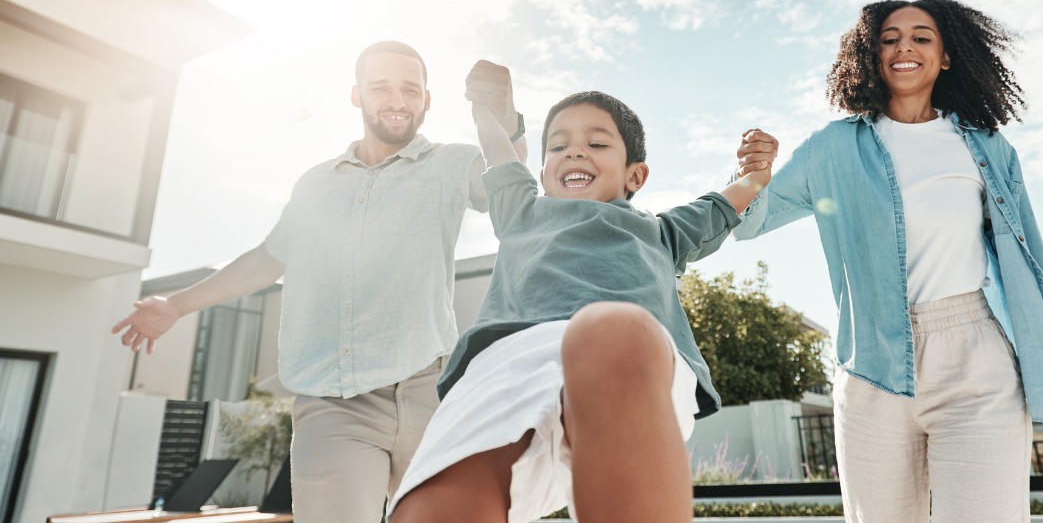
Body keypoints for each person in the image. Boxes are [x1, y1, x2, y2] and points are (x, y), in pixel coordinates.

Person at [733, 0, 1043, 522]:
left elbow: (1036, 271)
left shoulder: (987, 148)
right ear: (871, 55)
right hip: (871, 366)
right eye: (889, 39)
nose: (903, 47)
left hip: (976, 359)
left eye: (921, 37)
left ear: (946, 56)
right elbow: (749, 223)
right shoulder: (833, 148)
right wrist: (751, 176)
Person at [111, 41, 527, 523]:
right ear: (357, 95)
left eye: (411, 90)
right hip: (336, 403)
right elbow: (269, 259)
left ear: (427, 100)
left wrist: (505, 119)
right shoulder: (316, 184)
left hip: (429, 391)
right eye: (381, 87)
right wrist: (177, 305)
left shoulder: (453, 164)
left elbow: (512, 188)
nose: (397, 100)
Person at [388, 89, 778, 523]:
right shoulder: (520, 211)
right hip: (511, 360)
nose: (574, 151)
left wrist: (755, 173)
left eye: (596, 143)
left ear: (635, 176)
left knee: (609, 329)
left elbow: (721, 205)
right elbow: (499, 155)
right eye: (558, 146)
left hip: (624, 359)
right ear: (542, 173)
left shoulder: (662, 232)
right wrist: (484, 108)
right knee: (433, 509)